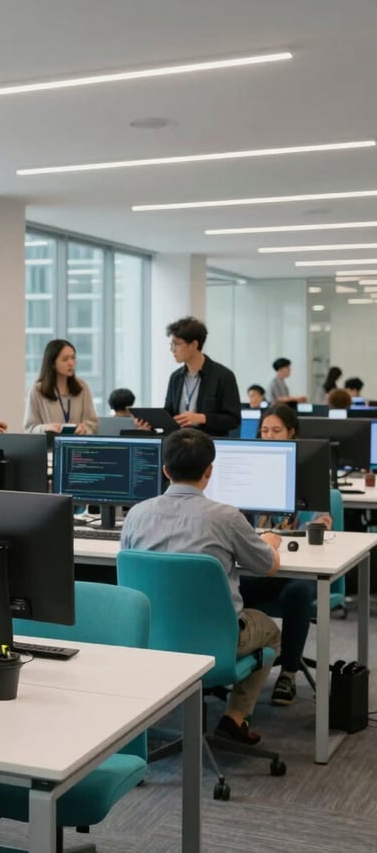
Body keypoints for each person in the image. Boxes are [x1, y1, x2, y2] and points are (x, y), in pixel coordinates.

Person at [120, 428, 281, 743]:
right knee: (272, 632)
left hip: (152, 638)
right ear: (209, 472)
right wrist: (271, 542)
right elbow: (268, 566)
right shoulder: (226, 518)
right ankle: (235, 718)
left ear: (165, 470)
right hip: (218, 640)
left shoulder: (136, 514)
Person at [241, 404, 332, 706]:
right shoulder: (249, 470)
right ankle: (240, 665)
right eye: (264, 431)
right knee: (224, 583)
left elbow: (321, 519)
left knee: (296, 593)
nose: (269, 437)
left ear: (291, 432)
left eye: (276, 431)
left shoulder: (309, 468)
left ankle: (288, 673)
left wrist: (320, 521)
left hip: (296, 568)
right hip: (259, 564)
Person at [155, 316, 241, 437]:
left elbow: (233, 420)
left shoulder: (223, 376)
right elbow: (169, 413)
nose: (172, 350)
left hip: (209, 445)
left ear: (194, 344)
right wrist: (152, 421)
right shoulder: (176, 377)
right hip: (178, 444)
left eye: (177, 344)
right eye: (171, 345)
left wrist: (202, 418)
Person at [24, 339, 99, 434]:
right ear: (52, 364)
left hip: (77, 445)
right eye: (65, 359)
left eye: (73, 358)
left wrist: (84, 429)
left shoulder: (82, 387)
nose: (71, 363)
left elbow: (93, 423)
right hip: (49, 446)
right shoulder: (37, 390)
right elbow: (29, 428)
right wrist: (45, 428)